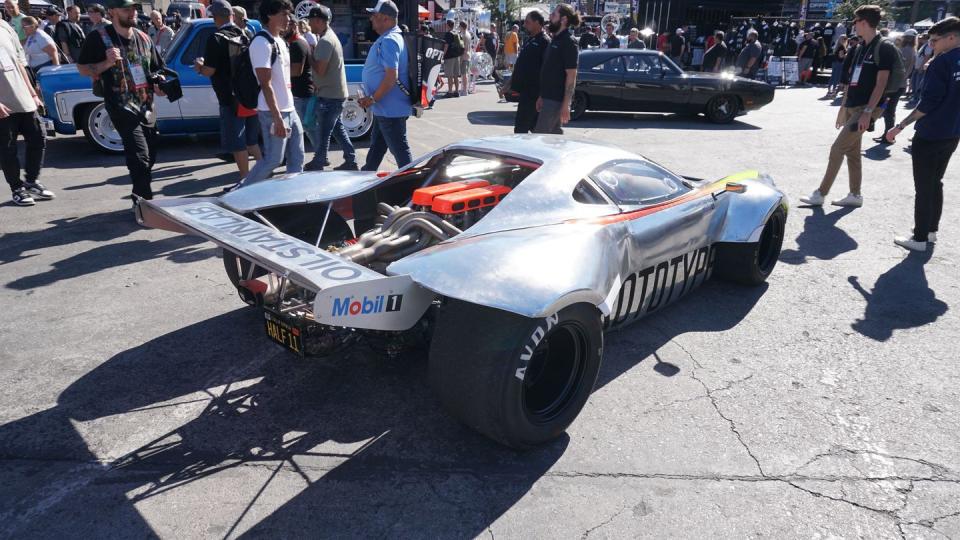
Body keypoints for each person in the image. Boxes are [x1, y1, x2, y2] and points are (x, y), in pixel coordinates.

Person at [799, 5, 896, 209]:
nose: (853, 25)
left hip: (866, 109)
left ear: (864, 22)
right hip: (853, 105)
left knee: (837, 149)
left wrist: (868, 113)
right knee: (852, 152)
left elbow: (881, 83)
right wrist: (843, 109)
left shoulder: (884, 47)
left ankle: (820, 193)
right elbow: (853, 79)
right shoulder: (861, 46)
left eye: (855, 21)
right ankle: (855, 195)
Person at [77, 0, 166, 205]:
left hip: (146, 104)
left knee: (150, 156)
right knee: (139, 156)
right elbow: (82, 68)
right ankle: (144, 203)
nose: (132, 12)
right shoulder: (99, 38)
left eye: (134, 8)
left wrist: (160, 84)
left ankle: (138, 193)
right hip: (120, 105)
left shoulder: (143, 37)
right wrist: (106, 63)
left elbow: (156, 69)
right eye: (126, 9)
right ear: (112, 12)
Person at [885, 17, 960, 251]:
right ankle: (930, 231)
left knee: (924, 187)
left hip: (931, 133)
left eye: (935, 41)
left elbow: (928, 103)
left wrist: (900, 126)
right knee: (935, 183)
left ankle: (919, 238)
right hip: (953, 131)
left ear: (951, 37)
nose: (931, 45)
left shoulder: (942, 62)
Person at [193, 0, 262, 183]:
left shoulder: (215, 39)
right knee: (251, 141)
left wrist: (199, 66)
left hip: (230, 98)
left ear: (215, 17)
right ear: (231, 15)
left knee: (238, 143)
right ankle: (264, 171)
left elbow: (210, 70)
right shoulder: (247, 34)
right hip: (250, 94)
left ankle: (245, 181)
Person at [240, 0, 304, 186]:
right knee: (273, 160)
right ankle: (241, 195)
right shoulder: (262, 42)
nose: (288, 19)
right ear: (269, 15)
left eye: (289, 14)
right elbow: (265, 84)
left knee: (297, 158)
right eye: (283, 14)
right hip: (272, 112)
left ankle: (291, 196)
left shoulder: (280, 41)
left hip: (289, 109)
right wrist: (277, 118)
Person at [1, 17, 54, 206]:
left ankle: (31, 181)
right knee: (7, 149)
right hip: (2, 103)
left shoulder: (5, 27)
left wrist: (32, 93)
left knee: (39, 136)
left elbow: (19, 63)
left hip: (22, 96)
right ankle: (17, 188)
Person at [358, 0, 412, 172]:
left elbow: (391, 76)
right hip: (386, 108)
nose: (371, 20)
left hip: (390, 109)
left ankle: (414, 187)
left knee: (401, 154)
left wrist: (373, 98)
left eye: (374, 16)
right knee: (378, 146)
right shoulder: (391, 38)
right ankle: (366, 174)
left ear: (386, 19)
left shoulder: (389, 40)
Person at [306, 5, 357, 171]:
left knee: (324, 131)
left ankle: (319, 161)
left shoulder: (326, 41)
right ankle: (351, 161)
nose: (309, 24)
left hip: (330, 94)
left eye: (311, 20)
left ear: (319, 21)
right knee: (336, 129)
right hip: (334, 93)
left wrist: (309, 55)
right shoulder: (329, 37)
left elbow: (320, 70)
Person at [534, 3, 578, 134]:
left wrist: (566, 104)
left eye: (553, 15)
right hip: (548, 98)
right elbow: (549, 71)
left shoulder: (568, 42)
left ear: (563, 19)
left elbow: (571, 75)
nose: (550, 17)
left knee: (540, 139)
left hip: (555, 101)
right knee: (552, 140)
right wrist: (542, 95)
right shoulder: (555, 39)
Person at [510, 9, 547, 133]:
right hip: (525, 94)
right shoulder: (529, 39)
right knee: (524, 129)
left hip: (535, 96)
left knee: (527, 132)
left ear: (537, 23)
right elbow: (522, 64)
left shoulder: (545, 42)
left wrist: (542, 96)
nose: (524, 25)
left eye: (527, 22)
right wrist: (508, 84)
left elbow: (547, 71)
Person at [286, 12, 315, 152]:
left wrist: (279, 73)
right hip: (300, 92)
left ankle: (320, 156)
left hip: (301, 93)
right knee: (302, 129)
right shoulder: (297, 42)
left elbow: (297, 71)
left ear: (294, 25)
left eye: (288, 24)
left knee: (305, 128)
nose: (284, 28)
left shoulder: (297, 44)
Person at [441, 19, 461, 98]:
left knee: (450, 75)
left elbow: (446, 45)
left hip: (449, 57)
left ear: (448, 25)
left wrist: (443, 55)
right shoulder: (457, 33)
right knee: (456, 75)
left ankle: (450, 91)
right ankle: (456, 91)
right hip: (457, 56)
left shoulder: (448, 34)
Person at [459, 21, 472, 95]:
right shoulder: (467, 34)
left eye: (459, 26)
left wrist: (461, 57)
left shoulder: (464, 35)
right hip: (467, 55)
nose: (459, 28)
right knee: (465, 74)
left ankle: (465, 90)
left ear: (462, 27)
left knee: (464, 74)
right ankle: (464, 89)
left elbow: (464, 48)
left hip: (464, 56)